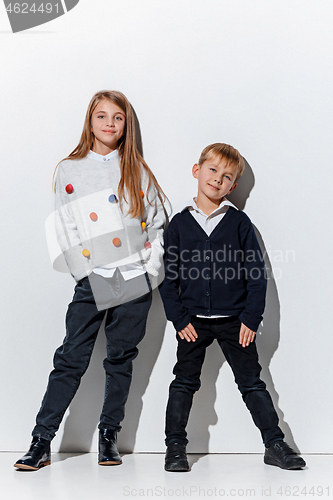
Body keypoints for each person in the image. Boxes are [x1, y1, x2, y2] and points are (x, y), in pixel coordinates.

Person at [14, 90, 165, 471]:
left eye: (118, 117)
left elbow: (158, 223)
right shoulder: (70, 168)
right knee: (70, 359)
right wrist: (84, 271)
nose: (110, 124)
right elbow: (64, 224)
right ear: (90, 121)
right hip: (93, 276)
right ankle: (40, 440)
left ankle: (108, 436)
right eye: (102, 116)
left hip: (133, 278)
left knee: (120, 360)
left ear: (126, 125)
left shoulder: (138, 169)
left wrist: (149, 271)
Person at [159, 143, 306, 472]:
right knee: (183, 382)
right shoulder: (179, 225)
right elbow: (168, 280)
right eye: (212, 170)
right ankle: (174, 447)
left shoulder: (239, 223)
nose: (217, 179)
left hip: (235, 323)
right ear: (197, 171)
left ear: (233, 186)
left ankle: (275, 444)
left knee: (253, 383)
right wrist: (178, 318)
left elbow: (257, 276)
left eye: (226, 176)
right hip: (192, 322)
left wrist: (251, 318)